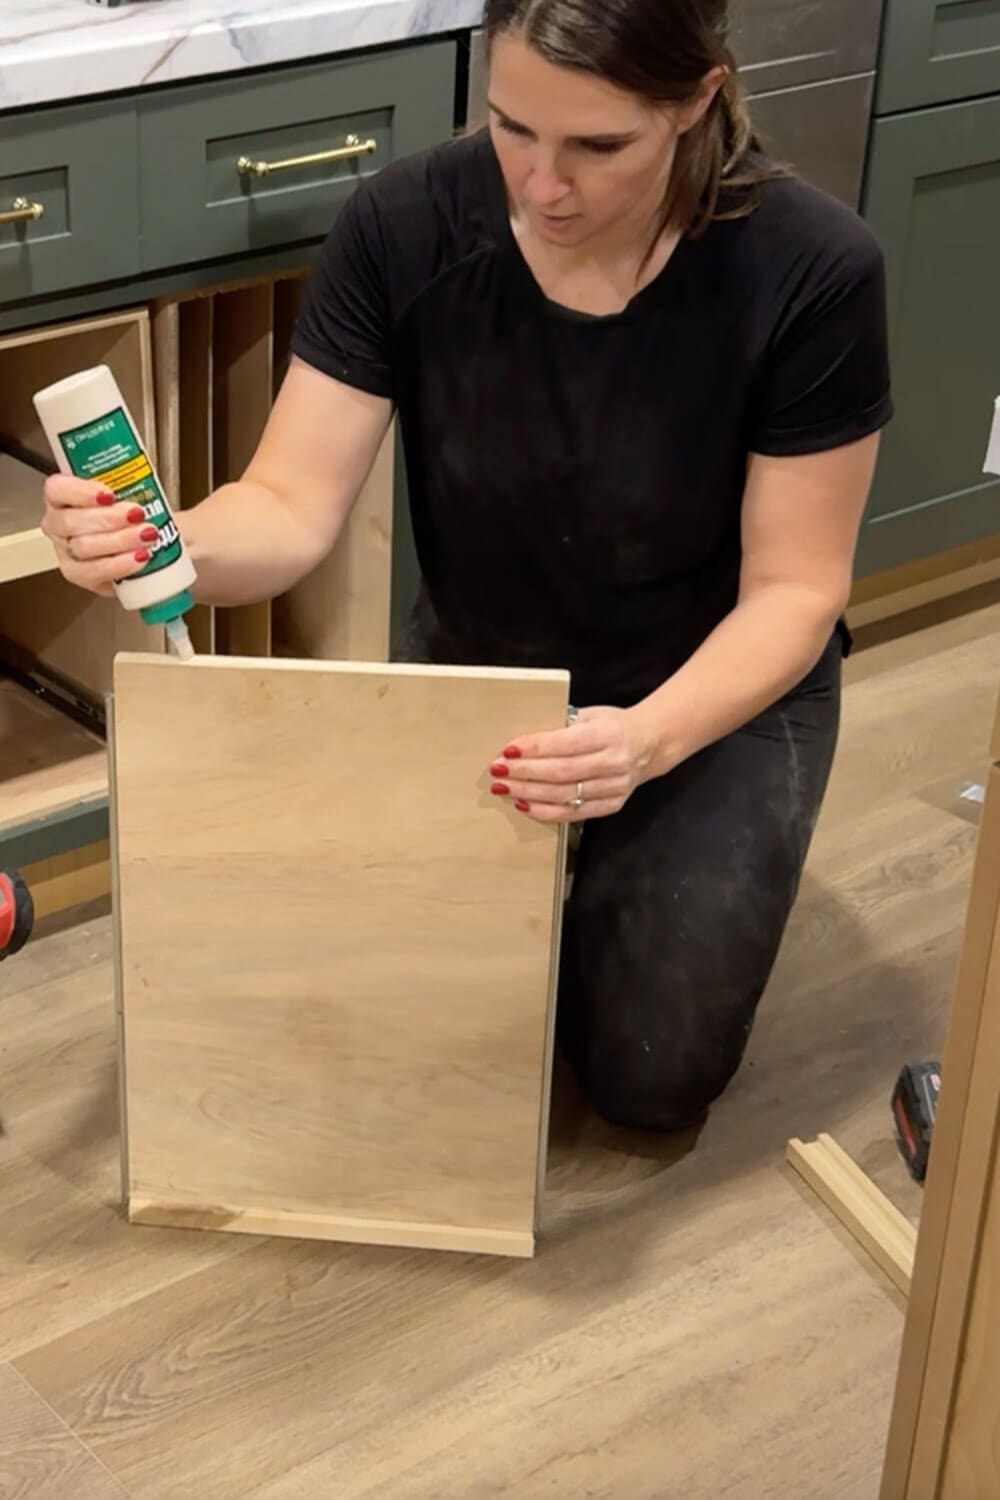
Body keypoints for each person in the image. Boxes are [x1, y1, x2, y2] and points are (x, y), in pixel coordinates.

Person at [42, 0, 893, 1133]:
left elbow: (796, 590)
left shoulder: (812, 266)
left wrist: (643, 742)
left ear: (697, 101)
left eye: (598, 145)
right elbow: (289, 507)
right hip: (486, 662)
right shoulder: (405, 222)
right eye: (511, 127)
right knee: (410, 1008)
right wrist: (169, 544)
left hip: (710, 688)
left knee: (648, 1077)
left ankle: (633, 865)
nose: (541, 186)